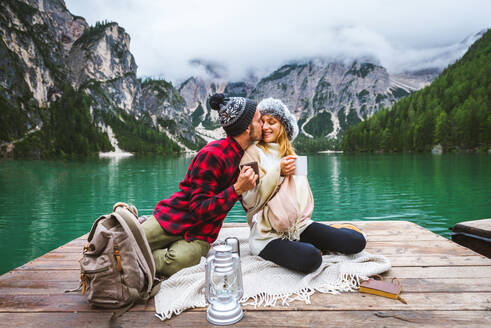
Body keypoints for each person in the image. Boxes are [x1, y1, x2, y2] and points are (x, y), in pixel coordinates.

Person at [141, 94, 262, 278]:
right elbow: (198, 209)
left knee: (179, 262)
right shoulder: (213, 154)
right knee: (126, 243)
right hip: (173, 217)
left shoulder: (248, 158)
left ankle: (138, 260)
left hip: (202, 234)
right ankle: (137, 248)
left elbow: (252, 203)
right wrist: (237, 189)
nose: (263, 125)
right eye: (259, 120)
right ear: (247, 127)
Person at [240, 98, 366, 274]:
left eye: (272, 122)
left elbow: (302, 195)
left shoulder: (291, 154)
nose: (266, 127)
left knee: (357, 241)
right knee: (312, 258)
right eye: (262, 122)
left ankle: (326, 237)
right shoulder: (252, 153)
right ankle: (310, 245)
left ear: (283, 126)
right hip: (267, 235)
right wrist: (279, 172)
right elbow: (249, 200)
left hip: (298, 226)